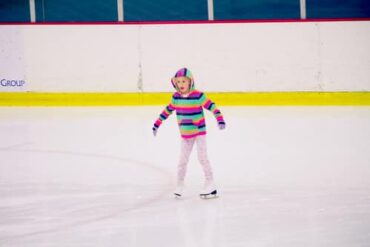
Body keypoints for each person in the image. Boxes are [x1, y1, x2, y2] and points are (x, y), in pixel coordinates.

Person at [152, 68, 225, 199]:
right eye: (178, 81)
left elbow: (212, 106)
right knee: (182, 161)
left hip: (199, 132)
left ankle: (210, 183)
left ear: (190, 81)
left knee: (202, 158)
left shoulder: (198, 96)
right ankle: (180, 184)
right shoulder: (176, 98)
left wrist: (220, 119)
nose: (181, 84)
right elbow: (167, 111)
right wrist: (157, 123)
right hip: (185, 135)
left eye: (184, 81)